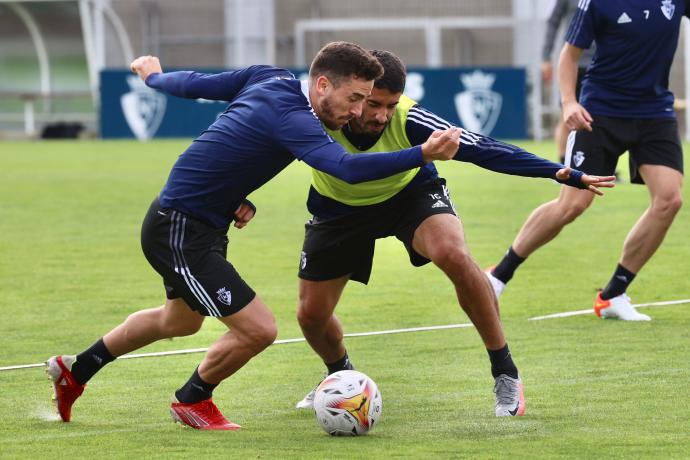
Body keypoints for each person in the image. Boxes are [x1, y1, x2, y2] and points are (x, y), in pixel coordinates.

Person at [45, 41, 464, 430]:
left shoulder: (270, 76)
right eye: (354, 98)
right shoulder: (295, 118)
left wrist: (155, 78)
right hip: (180, 227)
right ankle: (192, 399)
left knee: (179, 321)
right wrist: (422, 153)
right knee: (258, 329)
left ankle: (74, 371)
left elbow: (194, 86)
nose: (357, 112)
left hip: (198, 220)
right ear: (322, 84)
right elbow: (347, 168)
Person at [293, 50, 615, 417]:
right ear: (355, 92)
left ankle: (505, 372)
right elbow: (258, 151)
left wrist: (559, 171)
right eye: (372, 104)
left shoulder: (409, 118)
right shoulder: (319, 114)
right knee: (311, 316)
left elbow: (482, 148)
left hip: (408, 195)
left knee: (453, 252)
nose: (382, 115)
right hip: (339, 208)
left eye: (390, 105)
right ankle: (342, 379)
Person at [488, 1, 685, 321]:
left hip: (654, 113)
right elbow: (570, 53)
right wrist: (568, 103)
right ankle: (498, 275)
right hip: (600, 112)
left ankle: (613, 294)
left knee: (669, 199)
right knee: (572, 205)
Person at [541, 0, 595, 164]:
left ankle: (599, 164)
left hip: (601, 63)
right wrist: (546, 57)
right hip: (574, 63)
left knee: (601, 116)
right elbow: (553, 22)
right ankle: (563, 164)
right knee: (567, 114)